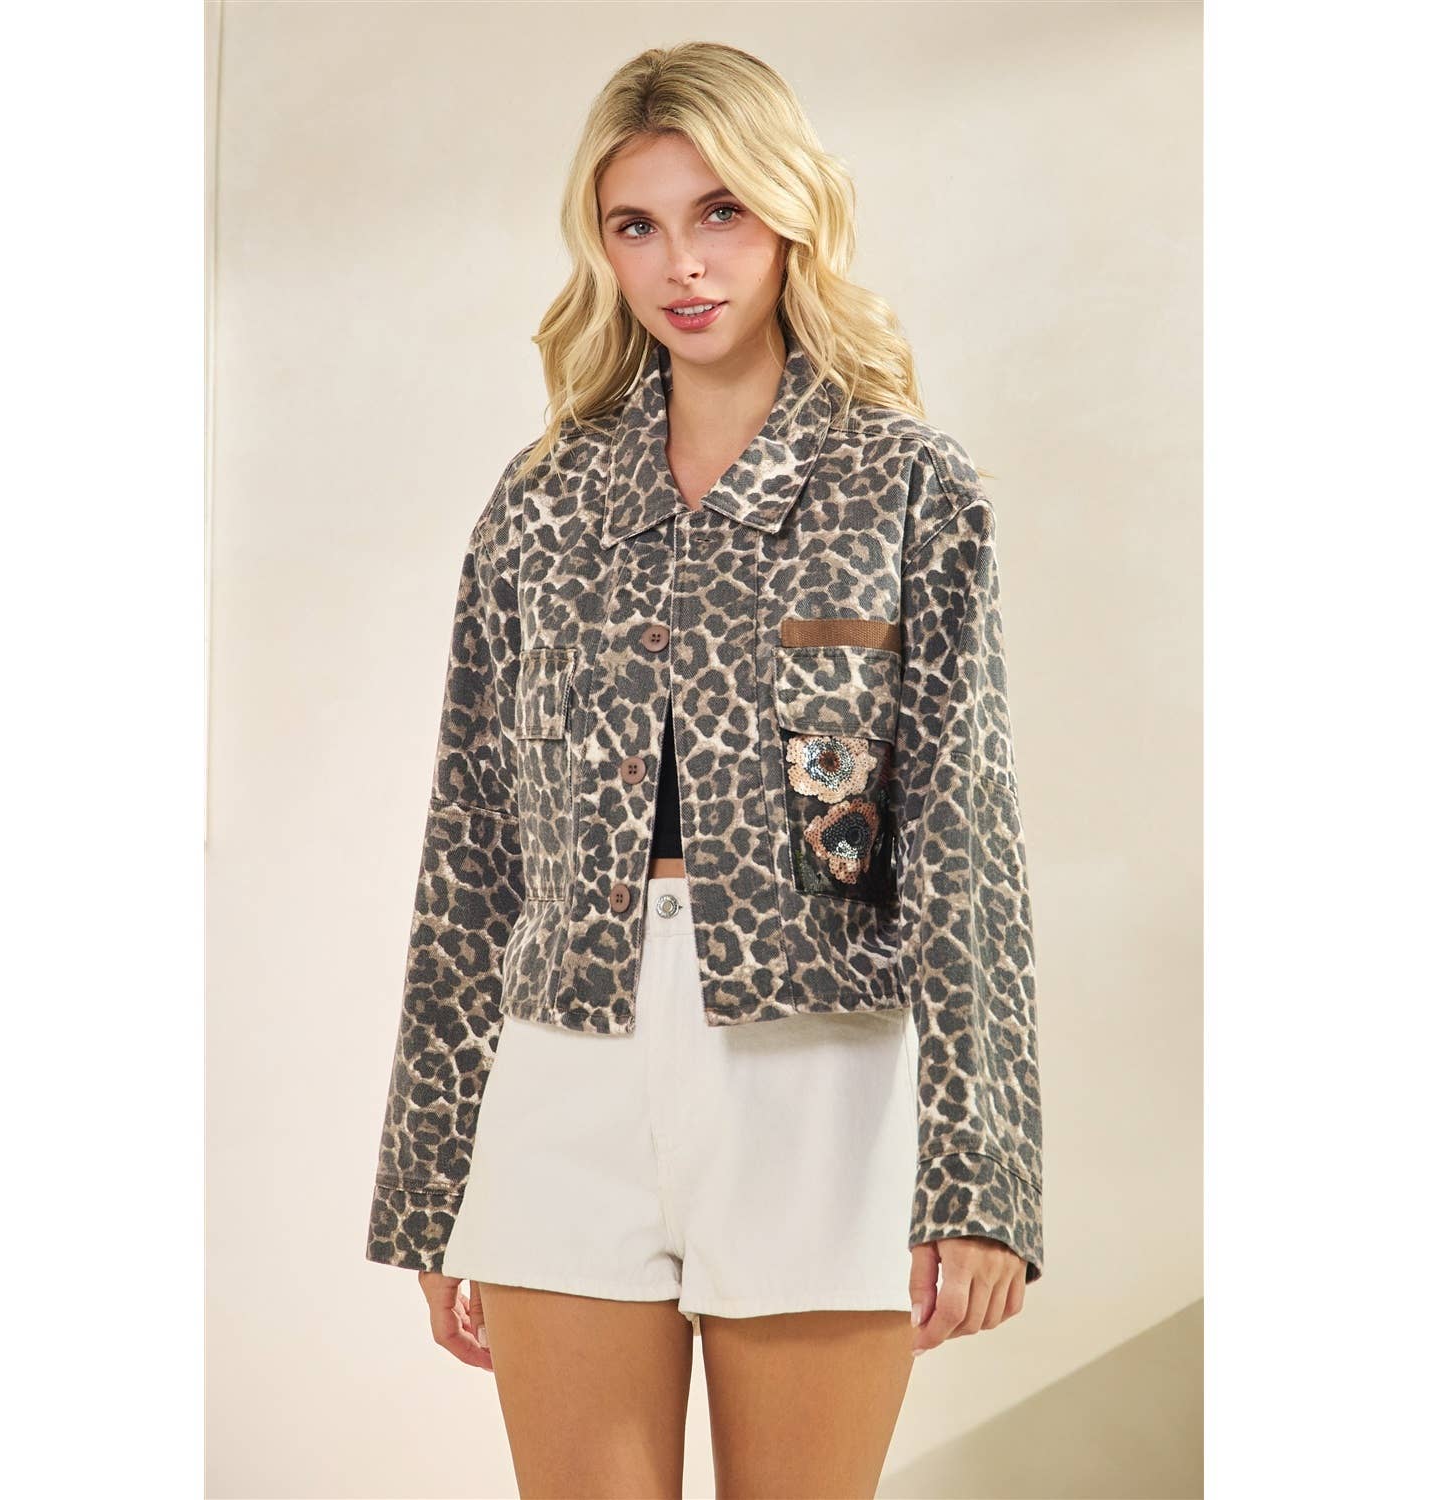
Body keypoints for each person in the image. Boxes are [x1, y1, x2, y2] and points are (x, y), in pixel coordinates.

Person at [366, 40, 1044, 1499]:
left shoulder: (906, 484)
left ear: (793, 216)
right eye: (638, 225)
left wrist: (982, 1178)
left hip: (819, 1075)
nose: (682, 263)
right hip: (565, 1068)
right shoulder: (541, 504)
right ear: (600, 246)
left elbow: (966, 845)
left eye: (721, 212)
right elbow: (469, 852)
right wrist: (431, 1184)